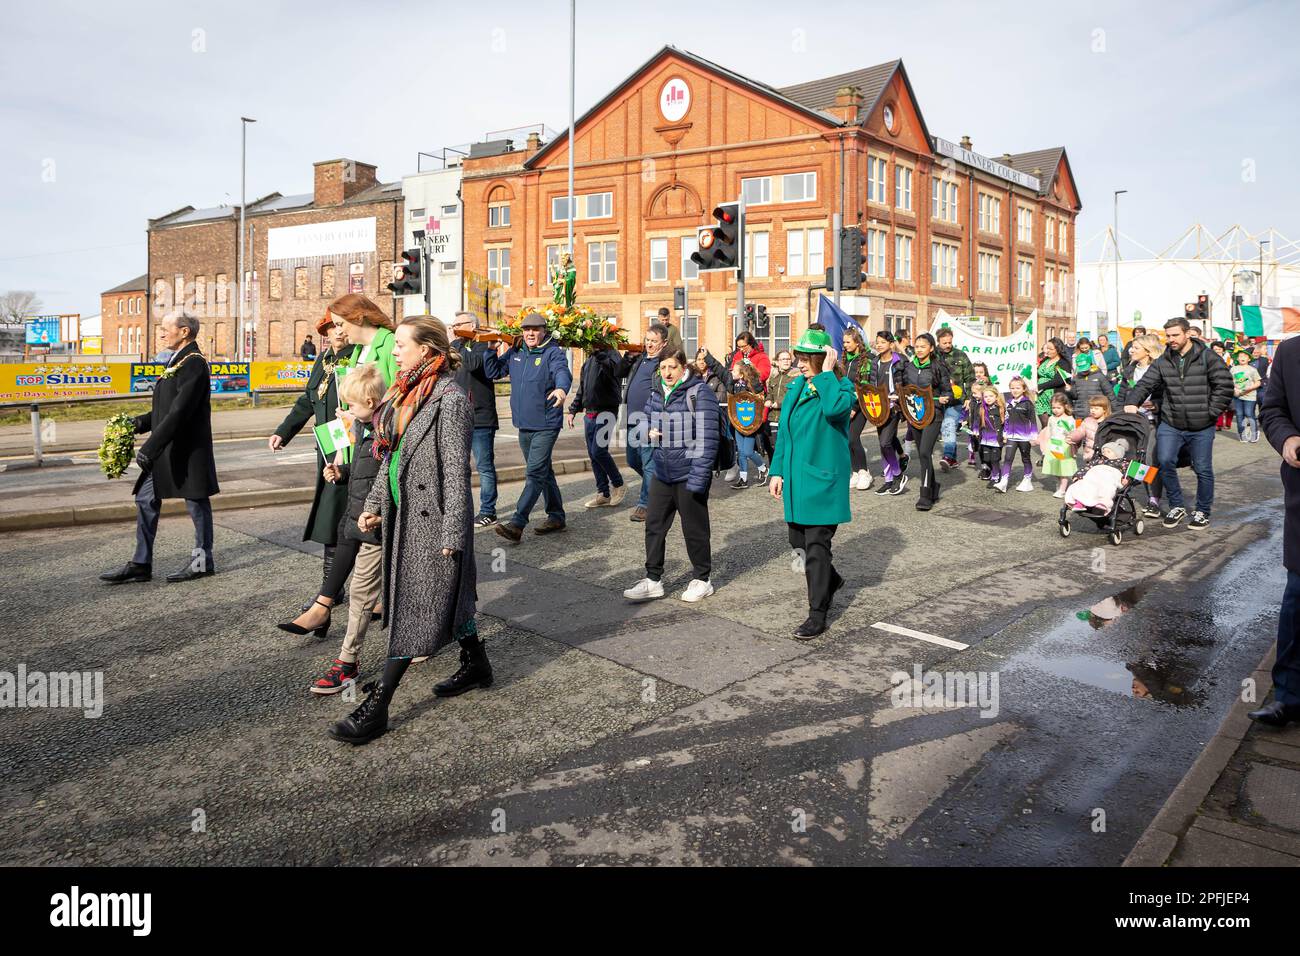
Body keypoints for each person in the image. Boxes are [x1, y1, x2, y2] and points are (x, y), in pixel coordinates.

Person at [331, 316, 485, 744]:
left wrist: (454, 534)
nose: (394, 351)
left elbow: (456, 474)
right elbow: (393, 458)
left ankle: (379, 705)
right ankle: (477, 664)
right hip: (404, 514)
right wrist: (376, 503)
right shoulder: (406, 393)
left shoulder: (449, 399)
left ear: (427, 351)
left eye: (401, 344)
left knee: (415, 607)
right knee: (447, 599)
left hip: (433, 521)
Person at [100, 312, 219, 585]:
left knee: (197, 504)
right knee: (144, 499)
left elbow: (179, 413)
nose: (161, 333)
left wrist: (150, 447)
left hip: (187, 452)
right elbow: (164, 411)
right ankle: (141, 564)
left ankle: (203, 562)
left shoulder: (194, 364)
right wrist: (136, 424)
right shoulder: (178, 360)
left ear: (185, 331)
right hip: (168, 450)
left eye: (166, 329)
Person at [291, 364, 386, 693]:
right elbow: (365, 467)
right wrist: (342, 472)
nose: (347, 412)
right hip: (360, 514)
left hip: (376, 521)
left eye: (353, 406)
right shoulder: (364, 425)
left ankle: (351, 662)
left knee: (369, 591)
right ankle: (347, 659)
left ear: (372, 402)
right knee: (362, 590)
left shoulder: (385, 428)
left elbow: (389, 475)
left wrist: (379, 512)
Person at [767, 329, 854, 639]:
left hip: (823, 483)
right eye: (799, 357)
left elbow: (834, 410)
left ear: (822, 358)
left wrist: (827, 374)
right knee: (798, 544)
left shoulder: (841, 387)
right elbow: (785, 435)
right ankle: (829, 579)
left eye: (805, 358)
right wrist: (777, 471)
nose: (800, 363)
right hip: (796, 481)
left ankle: (817, 613)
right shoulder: (795, 387)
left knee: (816, 548)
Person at [270, 319, 356, 608]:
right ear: (326, 333)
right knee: (331, 512)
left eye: (343, 326)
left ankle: (330, 592)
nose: (339, 332)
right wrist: (284, 431)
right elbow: (308, 400)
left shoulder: (358, 354)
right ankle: (334, 588)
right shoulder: (324, 358)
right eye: (333, 327)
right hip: (328, 442)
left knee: (335, 511)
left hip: (350, 442)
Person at [623, 348, 719, 604]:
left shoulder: (699, 392)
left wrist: (699, 479)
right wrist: (647, 431)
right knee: (654, 526)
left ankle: (703, 579)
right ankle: (653, 580)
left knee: (694, 529)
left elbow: (708, 438)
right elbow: (642, 420)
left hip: (689, 473)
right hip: (662, 472)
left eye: (672, 367)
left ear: (683, 367)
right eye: (663, 368)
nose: (666, 373)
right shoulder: (657, 392)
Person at [1123, 316, 1234, 530]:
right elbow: (1146, 383)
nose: (1171, 339)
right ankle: (1176, 505)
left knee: (1202, 468)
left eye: (1175, 335)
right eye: (1168, 335)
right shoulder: (1163, 361)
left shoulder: (1208, 357)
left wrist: (1210, 412)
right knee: (1164, 461)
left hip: (1202, 424)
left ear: (1187, 334)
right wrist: (1131, 402)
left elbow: (1224, 385)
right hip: (1171, 422)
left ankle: (1202, 510)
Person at [1254, 335, 1300, 726]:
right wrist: (1286, 438)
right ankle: (1288, 697)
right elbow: (1272, 409)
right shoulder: (1290, 351)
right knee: (1297, 600)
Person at [494, 311, 572, 541]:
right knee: (543, 471)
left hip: (546, 423)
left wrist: (561, 389)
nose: (530, 333)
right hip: (524, 424)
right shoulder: (516, 352)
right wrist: (490, 349)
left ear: (543, 331)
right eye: (526, 329)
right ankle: (557, 515)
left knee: (535, 472)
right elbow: (494, 372)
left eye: (535, 329)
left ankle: (518, 522)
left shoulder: (552, 352)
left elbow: (562, 372)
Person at [449, 311, 507, 529]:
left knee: (484, 466)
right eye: (453, 325)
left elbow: (474, 364)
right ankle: (461, 510)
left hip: (481, 416)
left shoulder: (483, 343)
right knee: (458, 467)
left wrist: (456, 342)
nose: (454, 327)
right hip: (459, 416)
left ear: (471, 325)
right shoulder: (458, 347)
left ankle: (488, 511)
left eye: (458, 324)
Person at [568, 341, 627, 509]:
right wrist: (573, 410)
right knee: (593, 455)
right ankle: (603, 493)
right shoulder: (587, 363)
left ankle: (619, 483)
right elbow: (582, 389)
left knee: (598, 451)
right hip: (590, 414)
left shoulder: (612, 354)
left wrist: (600, 352)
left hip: (607, 411)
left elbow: (615, 371)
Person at [618, 322, 667, 521]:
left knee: (648, 462)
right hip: (631, 417)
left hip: (649, 419)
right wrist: (627, 358)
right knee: (632, 460)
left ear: (663, 343)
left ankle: (645, 504)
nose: (649, 344)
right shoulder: (639, 359)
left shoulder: (663, 363)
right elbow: (618, 373)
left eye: (654, 341)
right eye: (647, 340)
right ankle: (660, 486)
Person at [900, 332, 953, 511]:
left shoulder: (938, 367)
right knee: (923, 454)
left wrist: (945, 398)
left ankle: (925, 495)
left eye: (923, 346)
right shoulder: (909, 367)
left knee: (924, 452)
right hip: (915, 414)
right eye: (917, 347)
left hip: (934, 414)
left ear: (931, 348)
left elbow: (949, 392)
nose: (920, 350)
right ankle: (933, 486)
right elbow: (904, 389)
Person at [1117, 333, 1166, 518]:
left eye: (1136, 348)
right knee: (1131, 459)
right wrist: (1118, 414)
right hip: (1132, 421)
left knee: (1149, 461)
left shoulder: (1159, 370)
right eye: (1132, 347)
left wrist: (1156, 404)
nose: (1131, 350)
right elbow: (1121, 395)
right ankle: (1123, 493)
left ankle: (1153, 499)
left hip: (1153, 421)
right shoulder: (1129, 371)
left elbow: (1168, 396)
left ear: (1148, 351)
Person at [867, 330, 909, 496]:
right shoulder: (875, 361)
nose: (879, 345)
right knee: (884, 444)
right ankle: (889, 480)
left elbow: (907, 384)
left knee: (885, 443)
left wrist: (899, 396)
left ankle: (898, 474)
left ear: (891, 344)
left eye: (883, 342)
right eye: (877, 342)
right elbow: (871, 384)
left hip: (894, 407)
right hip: (878, 408)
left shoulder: (900, 361)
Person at [327, 293, 397, 389]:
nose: (339, 331)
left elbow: (399, 393)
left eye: (340, 324)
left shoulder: (392, 343)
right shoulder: (358, 348)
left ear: (359, 319)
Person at [839, 327, 875, 491]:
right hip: (844, 403)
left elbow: (865, 386)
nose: (845, 345)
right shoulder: (845, 359)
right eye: (844, 342)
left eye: (848, 342)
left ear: (857, 342)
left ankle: (864, 472)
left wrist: (854, 407)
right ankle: (854, 472)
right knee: (845, 440)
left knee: (853, 438)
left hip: (860, 405)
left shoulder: (867, 359)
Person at [935, 326, 975, 470]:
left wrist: (969, 397)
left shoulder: (960, 355)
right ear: (938, 341)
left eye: (949, 342)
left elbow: (970, 377)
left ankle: (947, 456)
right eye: (944, 342)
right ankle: (953, 458)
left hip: (957, 400)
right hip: (938, 399)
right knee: (946, 428)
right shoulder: (933, 356)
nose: (947, 345)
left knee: (948, 425)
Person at [729, 362, 769, 489]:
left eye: (734, 371)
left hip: (750, 424)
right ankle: (743, 479)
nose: (731, 373)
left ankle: (763, 469)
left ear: (741, 374)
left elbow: (760, 399)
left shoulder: (753, 385)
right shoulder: (733, 384)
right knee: (740, 452)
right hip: (738, 423)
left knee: (748, 451)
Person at [1000, 377, 1038, 492]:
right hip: (1011, 437)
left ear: (1023, 389)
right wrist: (1005, 433)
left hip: (1025, 438)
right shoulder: (1008, 403)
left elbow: (1033, 421)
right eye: (1012, 388)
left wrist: (1034, 437)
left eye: (1017, 388)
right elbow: (1006, 420)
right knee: (1007, 458)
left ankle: (1027, 481)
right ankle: (1003, 481)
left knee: (1025, 458)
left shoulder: (1027, 403)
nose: (1015, 390)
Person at [1041, 394, 1079, 497]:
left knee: (1063, 468)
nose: (1055, 410)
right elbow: (1048, 431)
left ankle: (1062, 489)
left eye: (1058, 408)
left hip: (1064, 446)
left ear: (1065, 406)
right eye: (1053, 408)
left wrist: (1072, 444)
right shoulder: (1051, 419)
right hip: (1053, 444)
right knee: (1055, 467)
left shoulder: (1069, 419)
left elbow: (1073, 433)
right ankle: (1060, 484)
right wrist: (1045, 444)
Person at [971, 385, 1005, 491]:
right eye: (986, 396)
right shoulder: (981, 408)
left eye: (991, 396)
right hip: (985, 439)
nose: (988, 398)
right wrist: (976, 431)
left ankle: (995, 477)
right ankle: (996, 471)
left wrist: (1006, 434)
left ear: (996, 396)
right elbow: (977, 421)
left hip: (996, 439)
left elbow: (1006, 423)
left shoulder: (1001, 409)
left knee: (995, 459)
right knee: (987, 458)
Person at [1036, 338, 1071, 426]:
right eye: (1047, 348)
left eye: (1050, 349)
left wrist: (1041, 386)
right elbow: (1039, 374)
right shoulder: (1045, 360)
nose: (1047, 351)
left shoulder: (1063, 363)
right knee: (1044, 424)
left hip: (1053, 397)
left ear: (1058, 350)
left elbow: (1059, 380)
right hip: (1041, 397)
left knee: (1054, 424)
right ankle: (1044, 438)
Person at [1231, 349, 1262, 443]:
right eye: (1240, 356)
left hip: (1250, 396)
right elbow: (1230, 381)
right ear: (1237, 358)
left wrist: (1249, 388)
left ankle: (1254, 433)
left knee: (1249, 414)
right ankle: (1242, 434)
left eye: (1244, 356)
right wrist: (1234, 390)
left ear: (1249, 359)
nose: (1242, 358)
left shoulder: (1252, 369)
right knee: (1239, 415)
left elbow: (1258, 382)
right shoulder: (1233, 369)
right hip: (1237, 396)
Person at [965, 362, 992, 468]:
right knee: (971, 431)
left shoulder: (988, 384)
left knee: (980, 438)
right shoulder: (970, 382)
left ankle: (986, 462)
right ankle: (971, 453)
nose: (978, 374)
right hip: (972, 409)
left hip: (983, 414)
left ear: (985, 373)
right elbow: (967, 392)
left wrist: (986, 384)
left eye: (981, 372)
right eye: (976, 372)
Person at [1070, 395, 1111, 464]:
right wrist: (1072, 437)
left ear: (1104, 409)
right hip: (1090, 456)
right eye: (1091, 408)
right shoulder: (1087, 421)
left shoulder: (1109, 422)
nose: (1093, 410)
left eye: (1096, 408)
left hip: (1105, 456)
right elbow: (1079, 431)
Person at [1069, 337, 1108, 406]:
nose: (1084, 350)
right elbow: (1075, 369)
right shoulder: (1075, 356)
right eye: (1082, 348)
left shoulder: (1097, 353)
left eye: (1086, 348)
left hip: (1096, 379)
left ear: (1089, 345)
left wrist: (1102, 377)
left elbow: (1103, 367)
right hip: (1082, 380)